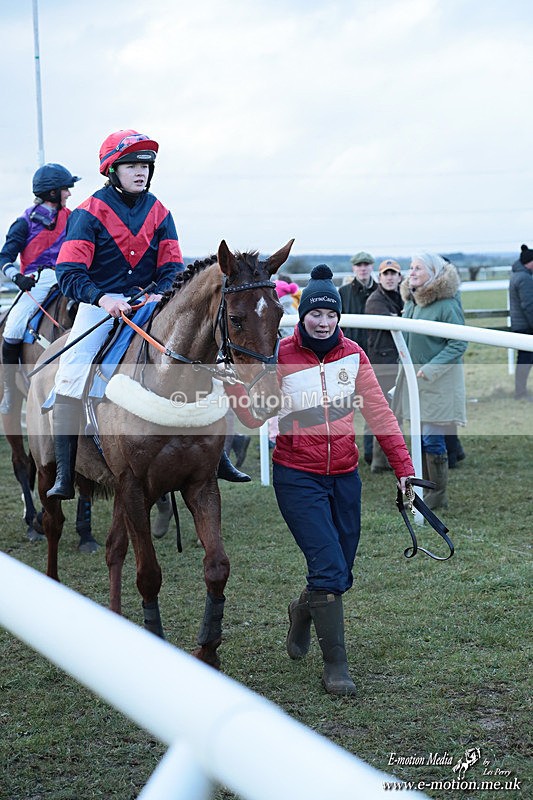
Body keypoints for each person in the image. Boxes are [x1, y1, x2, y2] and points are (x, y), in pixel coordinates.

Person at [226, 265, 414, 695]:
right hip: (297, 477)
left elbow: (380, 415)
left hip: (346, 475)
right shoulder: (281, 357)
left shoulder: (354, 356)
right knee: (329, 568)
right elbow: (257, 415)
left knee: (340, 572)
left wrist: (403, 469)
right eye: (316, 314)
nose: (324, 321)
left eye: (331, 315)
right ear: (303, 314)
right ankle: (336, 667)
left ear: (338, 318)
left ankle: (303, 610)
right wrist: (234, 389)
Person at [46, 129, 185, 500]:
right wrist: (101, 297)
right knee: (72, 372)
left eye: (145, 166)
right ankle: (64, 471)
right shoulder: (87, 212)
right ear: (113, 169)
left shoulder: (160, 211)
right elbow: (69, 273)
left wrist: (162, 291)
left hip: (149, 305)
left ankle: (215, 456)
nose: (141, 172)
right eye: (132, 165)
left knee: (194, 356)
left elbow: (173, 265)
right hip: (99, 308)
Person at [0, 163, 80, 413]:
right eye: (65, 189)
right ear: (53, 193)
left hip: (70, 277)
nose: (69, 193)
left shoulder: (74, 218)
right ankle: (10, 391)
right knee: (12, 329)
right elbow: (4, 258)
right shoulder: (23, 223)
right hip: (36, 282)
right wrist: (17, 278)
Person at [394, 253, 467, 510]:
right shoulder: (412, 301)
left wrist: (431, 369)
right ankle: (423, 491)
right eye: (410, 267)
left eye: (417, 268)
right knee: (418, 437)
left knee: (431, 439)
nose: (411, 272)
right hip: (415, 384)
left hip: (437, 383)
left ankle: (437, 496)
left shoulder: (446, 305)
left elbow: (459, 342)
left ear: (434, 273)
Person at [364, 258, 404, 473]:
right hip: (382, 364)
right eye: (386, 274)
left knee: (391, 411)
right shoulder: (375, 300)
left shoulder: (401, 296)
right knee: (380, 411)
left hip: (395, 362)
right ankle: (375, 458)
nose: (390, 278)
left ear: (399, 277)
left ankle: (383, 458)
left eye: (393, 274)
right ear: (379, 278)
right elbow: (395, 324)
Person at [339, 251, 378, 464]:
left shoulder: (381, 291)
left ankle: (372, 453)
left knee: (374, 406)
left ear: (371, 266)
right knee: (345, 408)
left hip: (375, 358)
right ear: (354, 268)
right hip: (348, 360)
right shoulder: (343, 293)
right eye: (359, 265)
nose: (362, 268)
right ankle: (345, 451)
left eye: (366, 264)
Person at [509, 244, 533, 401]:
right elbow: (529, 305)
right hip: (526, 326)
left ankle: (521, 391)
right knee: (525, 360)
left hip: (521, 325)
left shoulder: (518, 275)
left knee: (524, 360)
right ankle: (521, 393)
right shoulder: (524, 278)